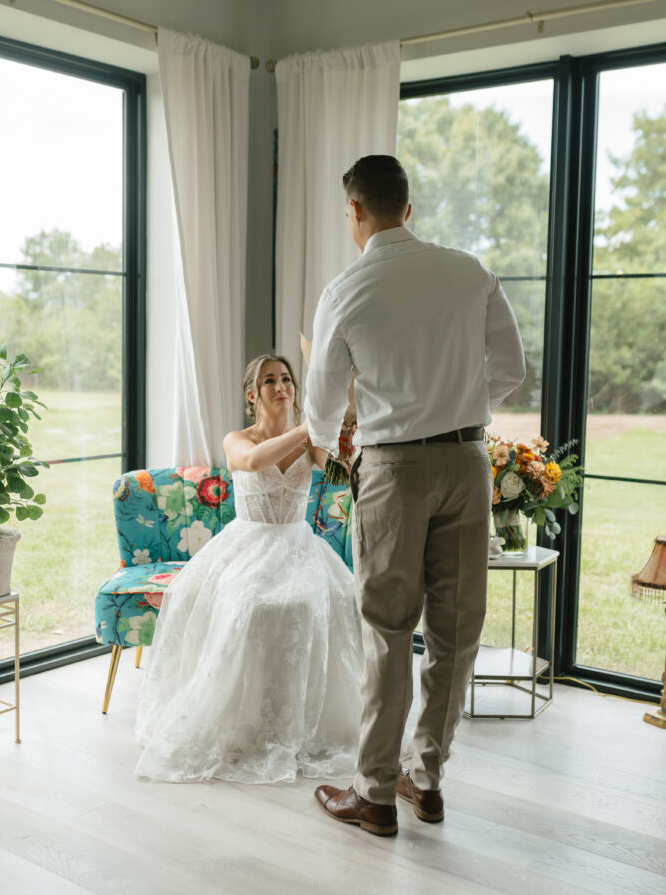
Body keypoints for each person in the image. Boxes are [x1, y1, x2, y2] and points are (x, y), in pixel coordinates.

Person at [305, 154, 526, 836]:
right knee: (456, 633)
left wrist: (330, 441)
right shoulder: (468, 271)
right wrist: (454, 409)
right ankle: (424, 780)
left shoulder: (346, 287)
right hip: (466, 461)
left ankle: (373, 793)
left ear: (355, 211)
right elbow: (512, 370)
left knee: (387, 632)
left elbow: (319, 400)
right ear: (408, 206)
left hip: (391, 470)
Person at [135, 355, 366, 784]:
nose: (282, 387)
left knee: (331, 598)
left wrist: (345, 440)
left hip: (298, 545)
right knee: (251, 605)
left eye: (287, 380)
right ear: (252, 394)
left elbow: (337, 472)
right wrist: (310, 425)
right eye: (270, 381)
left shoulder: (310, 442)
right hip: (248, 545)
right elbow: (255, 462)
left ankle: (304, 724)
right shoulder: (236, 439)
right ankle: (246, 724)